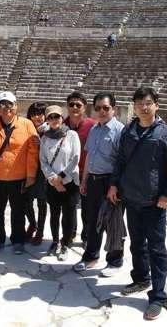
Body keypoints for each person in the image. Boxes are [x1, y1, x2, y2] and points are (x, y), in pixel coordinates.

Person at [110, 87, 167, 321]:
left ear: (156, 105)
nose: (144, 106)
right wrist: (114, 185)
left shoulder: (166, 134)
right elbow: (120, 160)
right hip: (131, 199)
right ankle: (141, 278)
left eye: (149, 103)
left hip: (154, 202)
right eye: (140, 102)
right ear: (133, 105)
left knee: (157, 249)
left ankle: (158, 296)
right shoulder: (129, 130)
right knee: (136, 244)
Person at [73, 92, 125, 276]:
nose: (101, 111)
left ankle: (115, 261)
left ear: (114, 109)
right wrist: (84, 179)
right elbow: (89, 157)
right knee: (93, 222)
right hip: (93, 181)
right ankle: (91, 257)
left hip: (110, 182)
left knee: (113, 224)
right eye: (98, 108)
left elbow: (122, 163)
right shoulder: (95, 129)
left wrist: (115, 186)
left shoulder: (120, 131)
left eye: (106, 108)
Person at [0, 91, 39, 255]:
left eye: (9, 104)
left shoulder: (27, 124)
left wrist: (31, 174)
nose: (6, 108)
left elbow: (33, 151)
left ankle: (18, 240)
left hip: (19, 176)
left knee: (18, 210)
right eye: (2, 104)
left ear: (16, 106)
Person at [39, 105, 81, 261]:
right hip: (52, 183)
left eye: (57, 116)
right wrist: (53, 179)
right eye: (50, 117)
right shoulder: (45, 138)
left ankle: (65, 243)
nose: (54, 120)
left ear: (62, 118)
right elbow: (43, 161)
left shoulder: (72, 135)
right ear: (47, 120)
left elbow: (75, 158)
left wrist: (61, 177)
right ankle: (55, 241)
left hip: (69, 181)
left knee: (69, 215)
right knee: (55, 214)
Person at [64, 91, 96, 246]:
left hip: (87, 174)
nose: (75, 107)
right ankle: (70, 234)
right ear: (67, 107)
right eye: (71, 104)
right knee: (69, 208)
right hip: (68, 174)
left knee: (87, 210)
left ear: (84, 107)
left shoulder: (92, 126)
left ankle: (86, 237)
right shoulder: (62, 125)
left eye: (78, 105)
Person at [26, 101, 49, 245]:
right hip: (27, 169)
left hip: (43, 171)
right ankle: (32, 224)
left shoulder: (49, 129)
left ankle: (39, 231)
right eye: (34, 114)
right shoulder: (26, 128)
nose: (37, 117)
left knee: (41, 202)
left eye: (40, 113)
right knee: (26, 201)